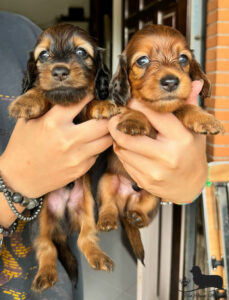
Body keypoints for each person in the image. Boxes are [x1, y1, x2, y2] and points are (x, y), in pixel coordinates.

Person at [0, 11, 207, 299]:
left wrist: (186, 182)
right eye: (45, 58)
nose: (59, 67)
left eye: (81, 54)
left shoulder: (21, 31)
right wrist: (12, 185)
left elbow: (104, 162)